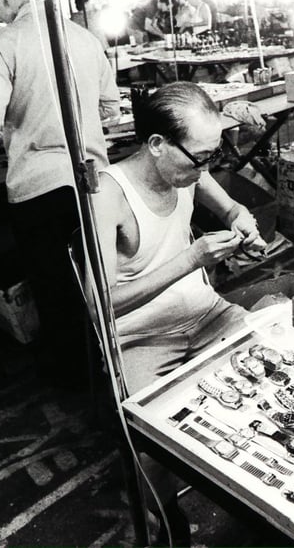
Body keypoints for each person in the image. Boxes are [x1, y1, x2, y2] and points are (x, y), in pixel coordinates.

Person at [92, 81, 266, 545]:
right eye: (201, 158)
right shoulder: (109, 194)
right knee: (153, 439)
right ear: (156, 145)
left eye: (213, 156)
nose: (207, 167)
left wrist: (242, 225)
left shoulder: (189, 168)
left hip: (206, 314)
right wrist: (191, 259)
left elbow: (232, 208)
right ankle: (168, 521)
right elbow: (99, 304)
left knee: (280, 358)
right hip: (141, 337)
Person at [0, 0, 121, 390]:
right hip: (92, 183)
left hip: (39, 189)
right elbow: (110, 107)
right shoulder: (85, 38)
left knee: (56, 290)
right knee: (98, 280)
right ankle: (110, 370)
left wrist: (11, 121)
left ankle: (75, 381)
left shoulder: (3, 42)